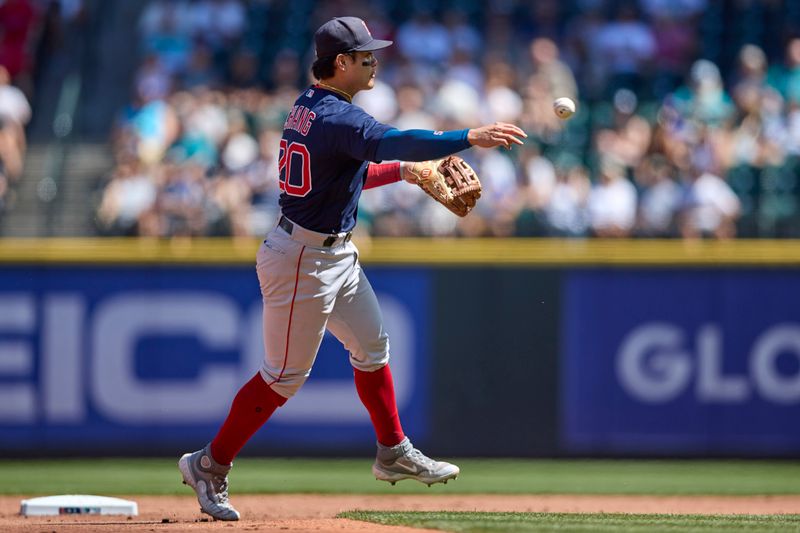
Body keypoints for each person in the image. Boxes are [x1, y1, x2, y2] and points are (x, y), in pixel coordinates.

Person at [178, 16, 526, 521]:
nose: (374, 63)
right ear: (341, 64)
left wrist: (404, 173)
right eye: (365, 57)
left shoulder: (311, 107)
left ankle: (392, 451)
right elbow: (397, 140)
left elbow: (351, 172)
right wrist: (468, 135)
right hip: (303, 260)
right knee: (282, 378)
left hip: (331, 253)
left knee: (372, 348)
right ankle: (208, 464)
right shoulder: (340, 118)